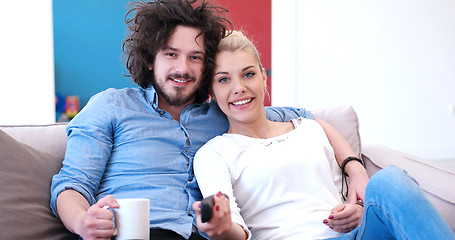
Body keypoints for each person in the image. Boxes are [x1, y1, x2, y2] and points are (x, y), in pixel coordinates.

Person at [50, 1, 367, 240]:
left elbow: (308, 120)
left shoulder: (224, 113)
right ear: (150, 59)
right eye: (171, 54)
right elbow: (71, 186)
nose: (183, 68)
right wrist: (83, 221)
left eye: (195, 57)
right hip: (139, 231)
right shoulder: (111, 106)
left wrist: (354, 168)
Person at [192, 31, 455, 240]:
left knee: (390, 180)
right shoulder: (214, 153)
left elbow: (344, 196)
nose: (239, 88)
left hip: (356, 235)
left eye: (248, 74)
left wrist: (357, 211)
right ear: (212, 92)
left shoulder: (309, 128)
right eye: (224, 80)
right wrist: (222, 226)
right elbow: (234, 230)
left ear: (263, 78)